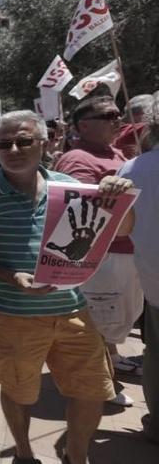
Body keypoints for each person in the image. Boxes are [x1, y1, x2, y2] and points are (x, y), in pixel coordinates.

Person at [0, 110, 134, 464]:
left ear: (44, 143)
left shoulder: (70, 187)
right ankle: (23, 453)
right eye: (5, 143)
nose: (14, 149)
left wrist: (118, 196)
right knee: (19, 391)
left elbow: (124, 229)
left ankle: (76, 457)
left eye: (24, 141)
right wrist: (10, 277)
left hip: (74, 311)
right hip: (14, 315)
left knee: (92, 391)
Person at [54, 96, 144, 406]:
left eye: (118, 113)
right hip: (104, 258)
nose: (117, 118)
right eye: (108, 115)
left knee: (117, 320)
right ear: (83, 125)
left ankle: (111, 363)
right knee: (99, 322)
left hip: (127, 252)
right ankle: (102, 383)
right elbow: (81, 212)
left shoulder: (116, 151)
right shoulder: (78, 158)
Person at [117, 118, 159, 443]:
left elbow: (122, 230)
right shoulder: (129, 170)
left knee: (155, 354)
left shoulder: (131, 169)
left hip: (153, 281)